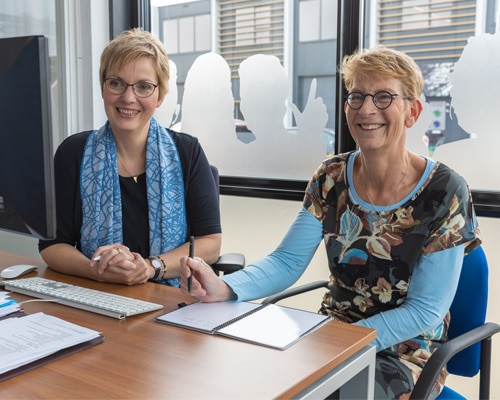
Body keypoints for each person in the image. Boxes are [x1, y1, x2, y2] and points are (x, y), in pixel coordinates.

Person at [179, 45, 481, 399]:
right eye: (357, 96)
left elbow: (424, 311)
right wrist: (223, 287)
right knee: (239, 378)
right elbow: (286, 262)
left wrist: (343, 343)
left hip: (403, 352)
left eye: (384, 97)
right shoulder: (331, 176)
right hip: (329, 337)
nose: (366, 109)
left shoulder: (446, 190)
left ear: (412, 112)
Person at [38, 28, 221, 287]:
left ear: (160, 96)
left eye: (144, 87)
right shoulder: (72, 153)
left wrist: (150, 267)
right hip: (97, 294)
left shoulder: (187, 152)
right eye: (116, 83)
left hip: (171, 298)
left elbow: (210, 243)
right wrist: (97, 270)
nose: (128, 98)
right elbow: (52, 245)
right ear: (103, 88)